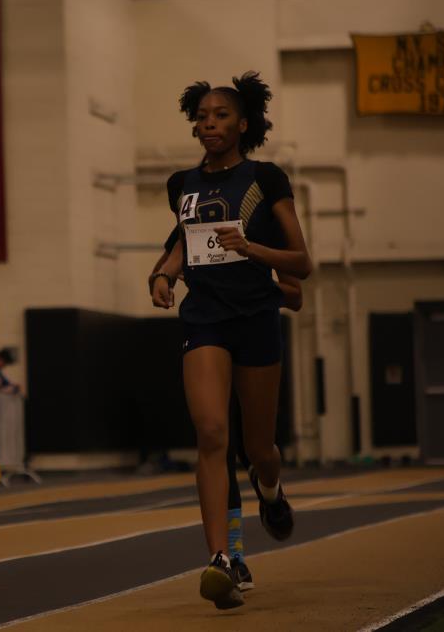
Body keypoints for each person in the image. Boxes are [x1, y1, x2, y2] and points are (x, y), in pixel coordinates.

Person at [149, 72, 311, 609]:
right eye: (201, 117)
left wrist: (251, 249)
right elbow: (182, 240)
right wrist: (164, 276)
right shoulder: (182, 184)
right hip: (205, 320)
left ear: (243, 124)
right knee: (212, 433)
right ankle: (223, 559)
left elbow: (302, 263)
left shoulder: (265, 178)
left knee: (258, 448)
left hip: (256, 316)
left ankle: (271, 490)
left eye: (220, 116)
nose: (209, 124)